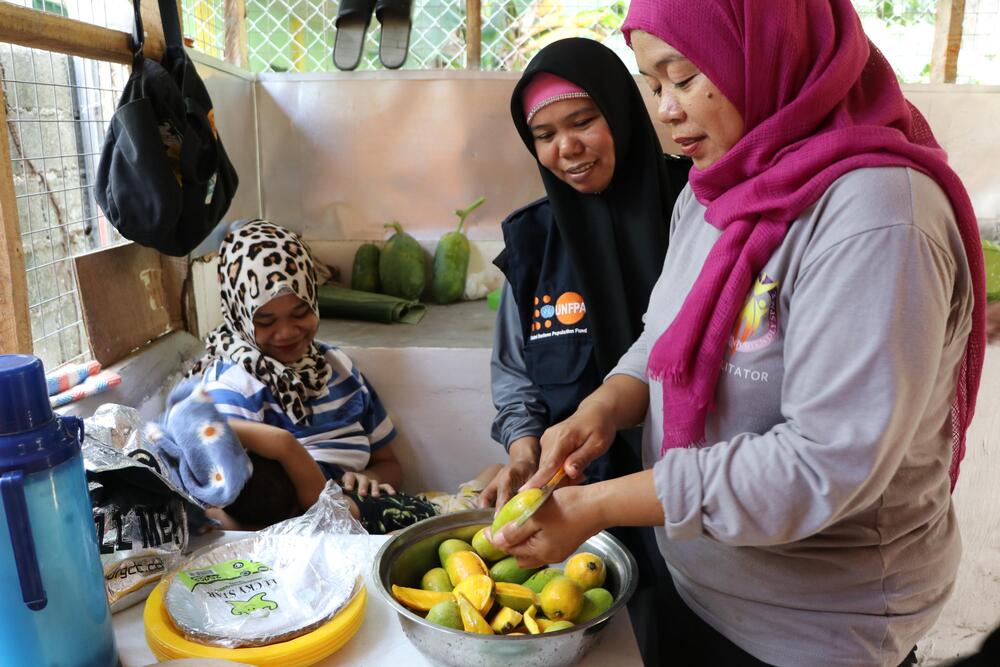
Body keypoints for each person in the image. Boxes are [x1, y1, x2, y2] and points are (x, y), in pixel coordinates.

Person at [491, 2, 986, 666]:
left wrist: (599, 504)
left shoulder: (876, 215)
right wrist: (605, 404)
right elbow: (664, 333)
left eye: (684, 75)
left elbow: (823, 463)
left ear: (765, 52)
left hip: (813, 626)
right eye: (654, 84)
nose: (666, 109)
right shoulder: (713, 188)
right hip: (699, 583)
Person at [482, 38, 690, 665]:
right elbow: (516, 373)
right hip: (577, 509)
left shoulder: (699, 208)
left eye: (583, 121)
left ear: (622, 112)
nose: (565, 148)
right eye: (543, 134)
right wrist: (523, 449)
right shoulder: (533, 240)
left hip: (692, 504)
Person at [188, 219, 438, 534]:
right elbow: (242, 508)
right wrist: (330, 501)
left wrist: (369, 480)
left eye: (300, 312)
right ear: (239, 315)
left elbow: (389, 464)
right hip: (300, 534)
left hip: (361, 517)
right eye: (265, 320)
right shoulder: (233, 388)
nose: (287, 332)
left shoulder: (339, 367)